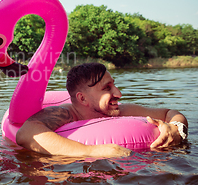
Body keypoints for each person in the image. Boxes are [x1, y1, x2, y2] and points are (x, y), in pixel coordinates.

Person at [16, 63, 189, 157]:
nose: (118, 94)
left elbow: (170, 113)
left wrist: (176, 127)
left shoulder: (121, 110)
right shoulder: (65, 114)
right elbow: (26, 134)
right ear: (82, 98)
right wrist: (90, 151)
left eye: (114, 85)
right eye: (107, 88)